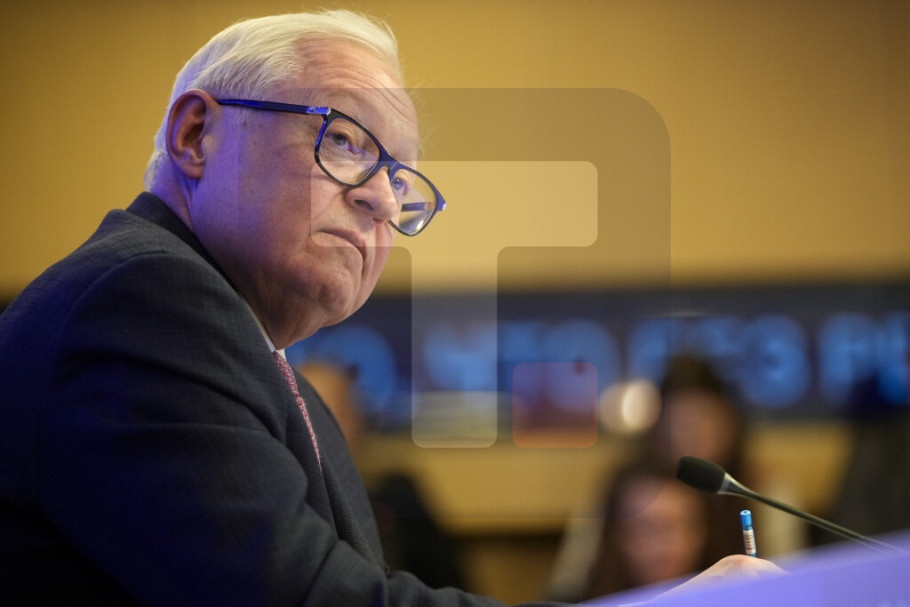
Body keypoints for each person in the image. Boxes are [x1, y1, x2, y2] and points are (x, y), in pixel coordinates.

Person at [0, 9, 780, 605]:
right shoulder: (142, 301)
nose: (380, 197)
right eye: (345, 141)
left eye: (401, 180)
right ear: (197, 134)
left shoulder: (268, 370)